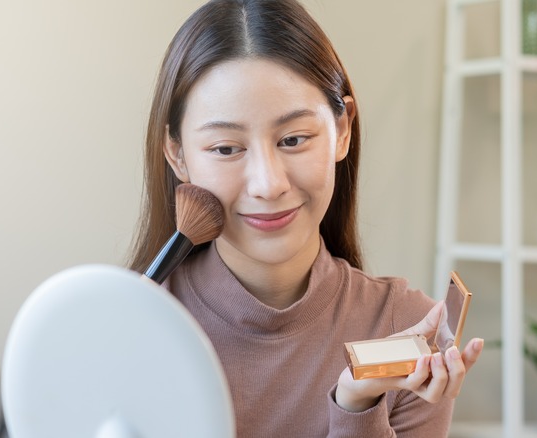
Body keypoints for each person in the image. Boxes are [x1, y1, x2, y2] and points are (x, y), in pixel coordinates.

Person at [128, 0, 484, 436]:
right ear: (177, 155)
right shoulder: (125, 324)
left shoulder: (403, 330)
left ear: (343, 130)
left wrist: (358, 404)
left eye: (294, 139)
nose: (268, 183)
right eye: (225, 148)